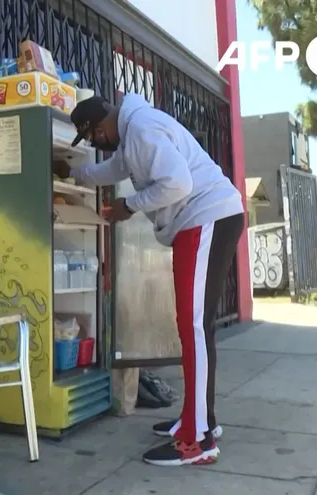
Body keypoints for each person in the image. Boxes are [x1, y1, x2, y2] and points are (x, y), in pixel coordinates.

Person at [59, 94, 244, 467]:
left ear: (102, 125)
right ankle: (200, 419)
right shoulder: (133, 133)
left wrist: (130, 205)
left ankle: (197, 441)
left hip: (205, 218)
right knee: (197, 328)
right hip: (205, 220)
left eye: (94, 138)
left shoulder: (141, 130)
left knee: (193, 327)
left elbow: (177, 184)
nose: (96, 145)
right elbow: (109, 170)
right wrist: (72, 174)